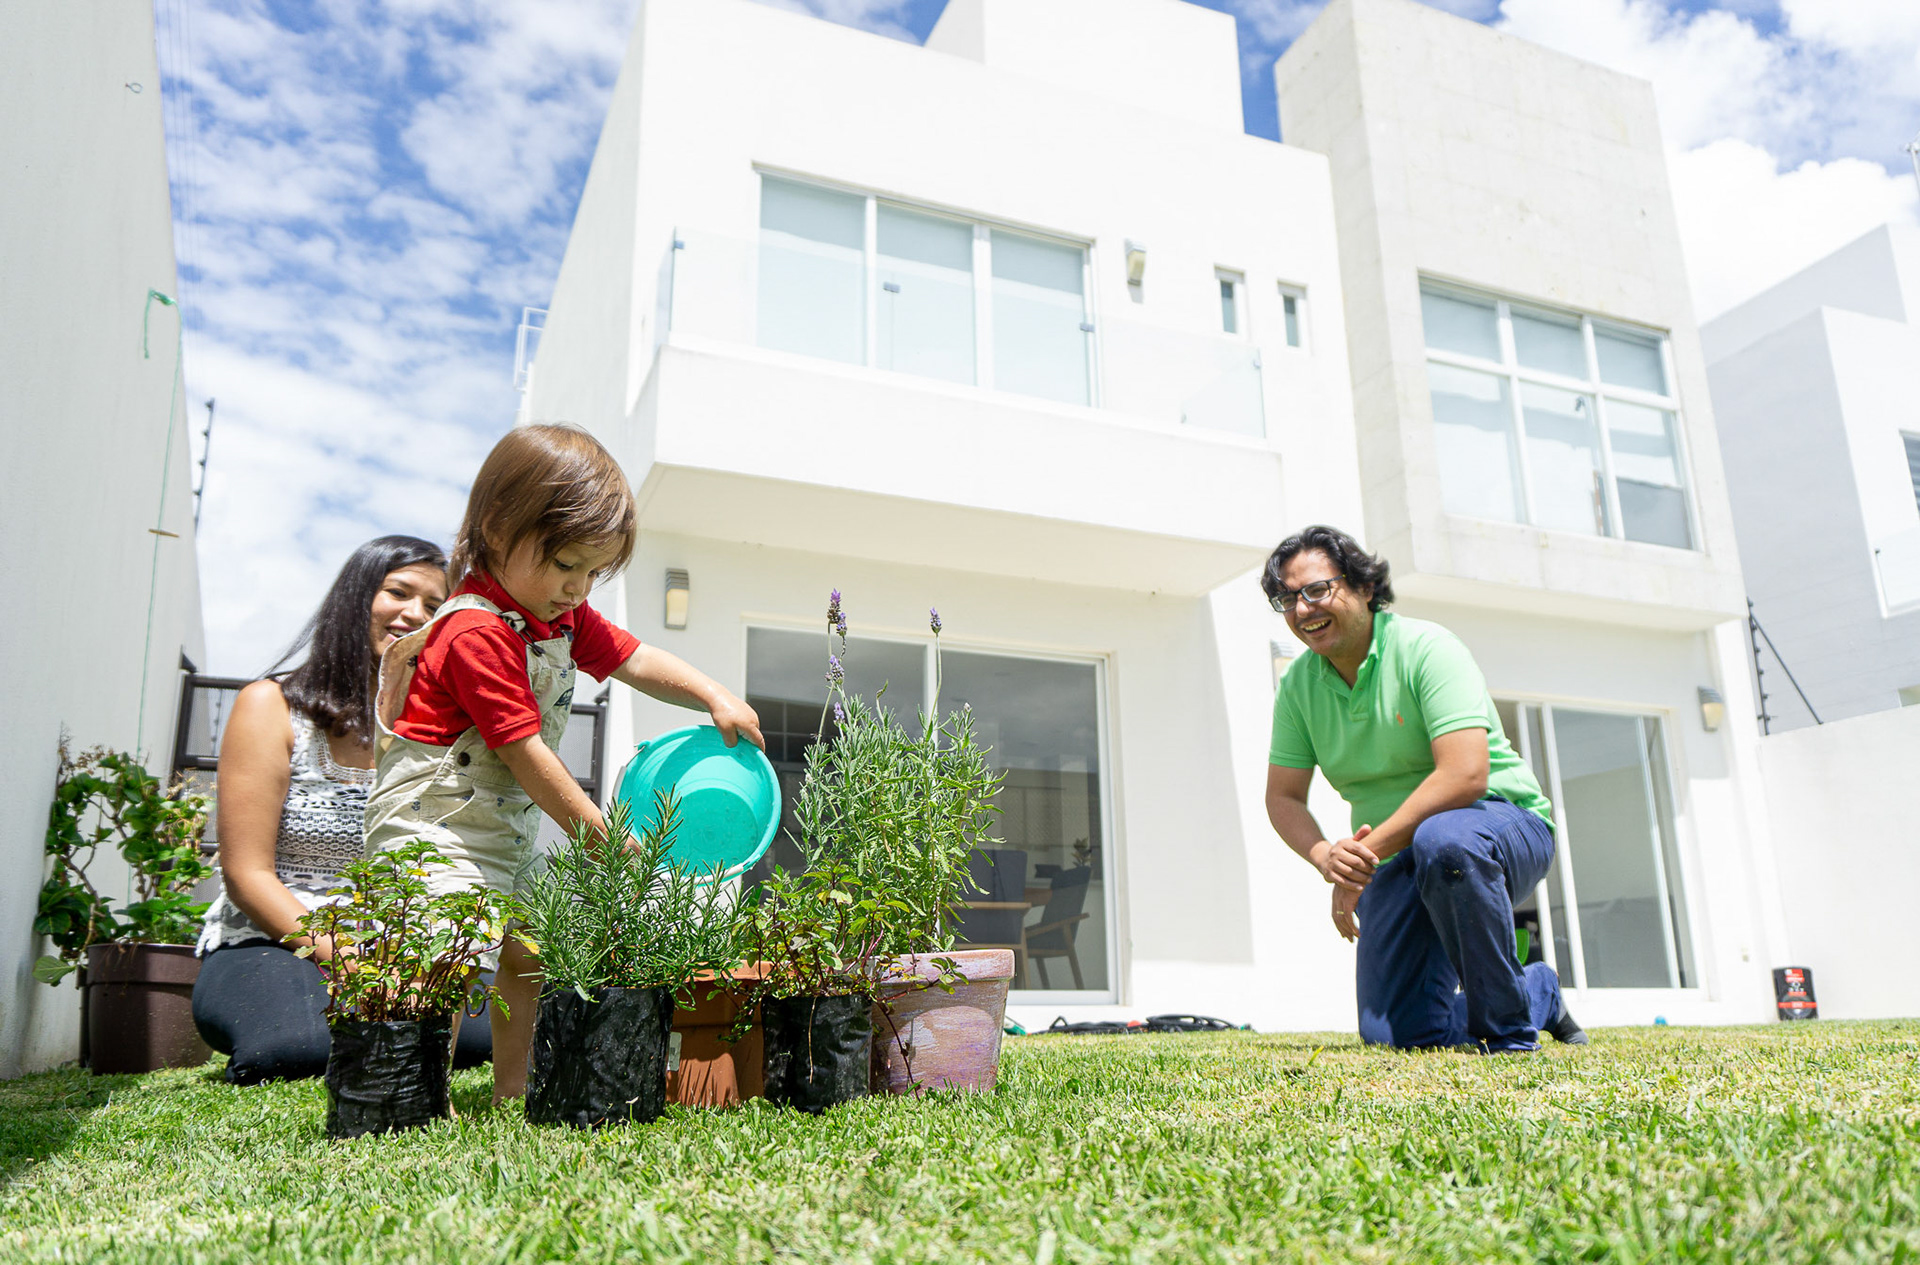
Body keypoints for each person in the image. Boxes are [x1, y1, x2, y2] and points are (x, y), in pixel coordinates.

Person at [363, 422, 764, 1103]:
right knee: (442, 955)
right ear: (498, 527)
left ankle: (513, 1089)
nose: (578, 587)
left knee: (529, 952)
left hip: (503, 826)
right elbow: (524, 752)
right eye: (565, 563)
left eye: (592, 572)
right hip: (432, 822)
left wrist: (712, 694)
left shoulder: (560, 618)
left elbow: (634, 658)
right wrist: (596, 833)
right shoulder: (473, 630)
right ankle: (416, 1094)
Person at [1261, 525, 1587, 1053]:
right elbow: (1283, 797)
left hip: (1499, 823)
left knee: (1446, 840)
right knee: (1397, 1034)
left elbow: (1464, 775)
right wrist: (1328, 859)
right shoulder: (1298, 687)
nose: (1302, 609)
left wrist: (1361, 857)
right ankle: (1536, 991)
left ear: (1364, 586)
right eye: (1287, 598)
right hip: (1395, 856)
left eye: (1317, 589)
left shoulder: (1426, 648)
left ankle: (1508, 1036)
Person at [192, 535, 489, 1082]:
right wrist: (353, 964)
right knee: (296, 1046)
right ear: (356, 597)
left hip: (401, 949)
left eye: (434, 606)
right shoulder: (270, 706)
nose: (414, 614)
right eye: (398, 592)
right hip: (276, 942)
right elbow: (247, 874)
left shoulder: (443, 734)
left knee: (479, 1038)